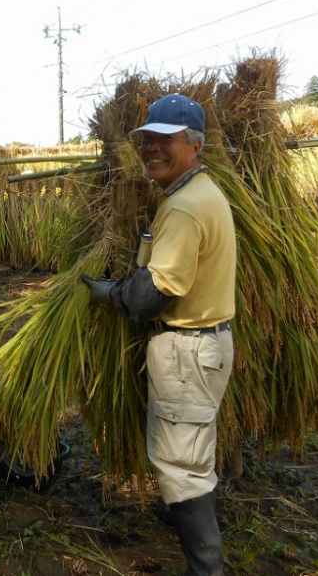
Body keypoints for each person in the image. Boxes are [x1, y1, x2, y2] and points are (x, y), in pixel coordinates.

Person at [81, 94, 235, 576]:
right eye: (147, 139)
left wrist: (110, 293)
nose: (152, 147)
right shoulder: (194, 194)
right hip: (200, 347)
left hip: (188, 351)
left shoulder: (187, 207)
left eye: (165, 139)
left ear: (195, 145)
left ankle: (206, 570)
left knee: (182, 471)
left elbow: (153, 295)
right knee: (190, 460)